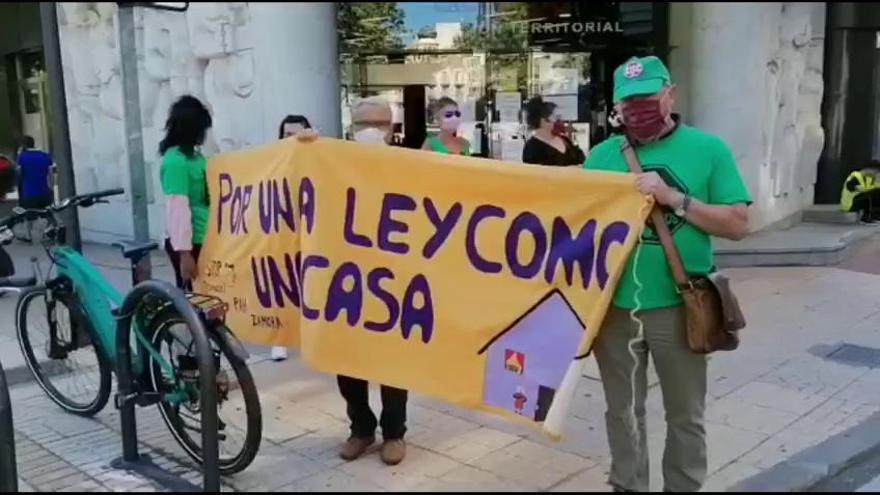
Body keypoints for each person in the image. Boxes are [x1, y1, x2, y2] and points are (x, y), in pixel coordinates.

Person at [583, 56, 751, 492]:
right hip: (614, 309)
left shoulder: (709, 150)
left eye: (647, 98)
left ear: (670, 94)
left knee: (685, 414)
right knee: (621, 410)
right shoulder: (601, 156)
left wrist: (674, 198)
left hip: (680, 306)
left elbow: (736, 224)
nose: (637, 109)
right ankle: (628, 483)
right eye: (628, 102)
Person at [335, 96, 408, 466]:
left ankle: (394, 432)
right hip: (345, 282)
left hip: (392, 280)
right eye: (365, 126)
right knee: (347, 360)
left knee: (393, 362)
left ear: (392, 130)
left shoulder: (410, 165)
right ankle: (361, 428)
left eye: (380, 126)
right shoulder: (331, 163)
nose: (372, 133)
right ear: (351, 130)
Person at [269, 114, 315, 362]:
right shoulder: (274, 159)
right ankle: (280, 339)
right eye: (286, 135)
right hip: (281, 228)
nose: (291, 139)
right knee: (281, 282)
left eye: (297, 134)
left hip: (310, 227)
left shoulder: (317, 156)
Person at [160, 95, 213, 291]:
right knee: (194, 299)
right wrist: (184, 254)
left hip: (203, 237)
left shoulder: (195, 156)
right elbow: (178, 208)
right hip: (190, 244)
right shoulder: (176, 162)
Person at [521, 96, 585, 166]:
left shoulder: (565, 140)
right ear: (543, 120)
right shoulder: (532, 148)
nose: (560, 120)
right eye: (556, 117)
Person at [15, 136, 54, 242]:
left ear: (23, 145)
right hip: (44, 190)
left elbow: (19, 174)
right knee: (47, 214)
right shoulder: (45, 156)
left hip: (29, 191)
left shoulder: (22, 157)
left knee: (28, 215)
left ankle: (28, 236)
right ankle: (45, 232)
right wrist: (51, 188)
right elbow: (50, 175)